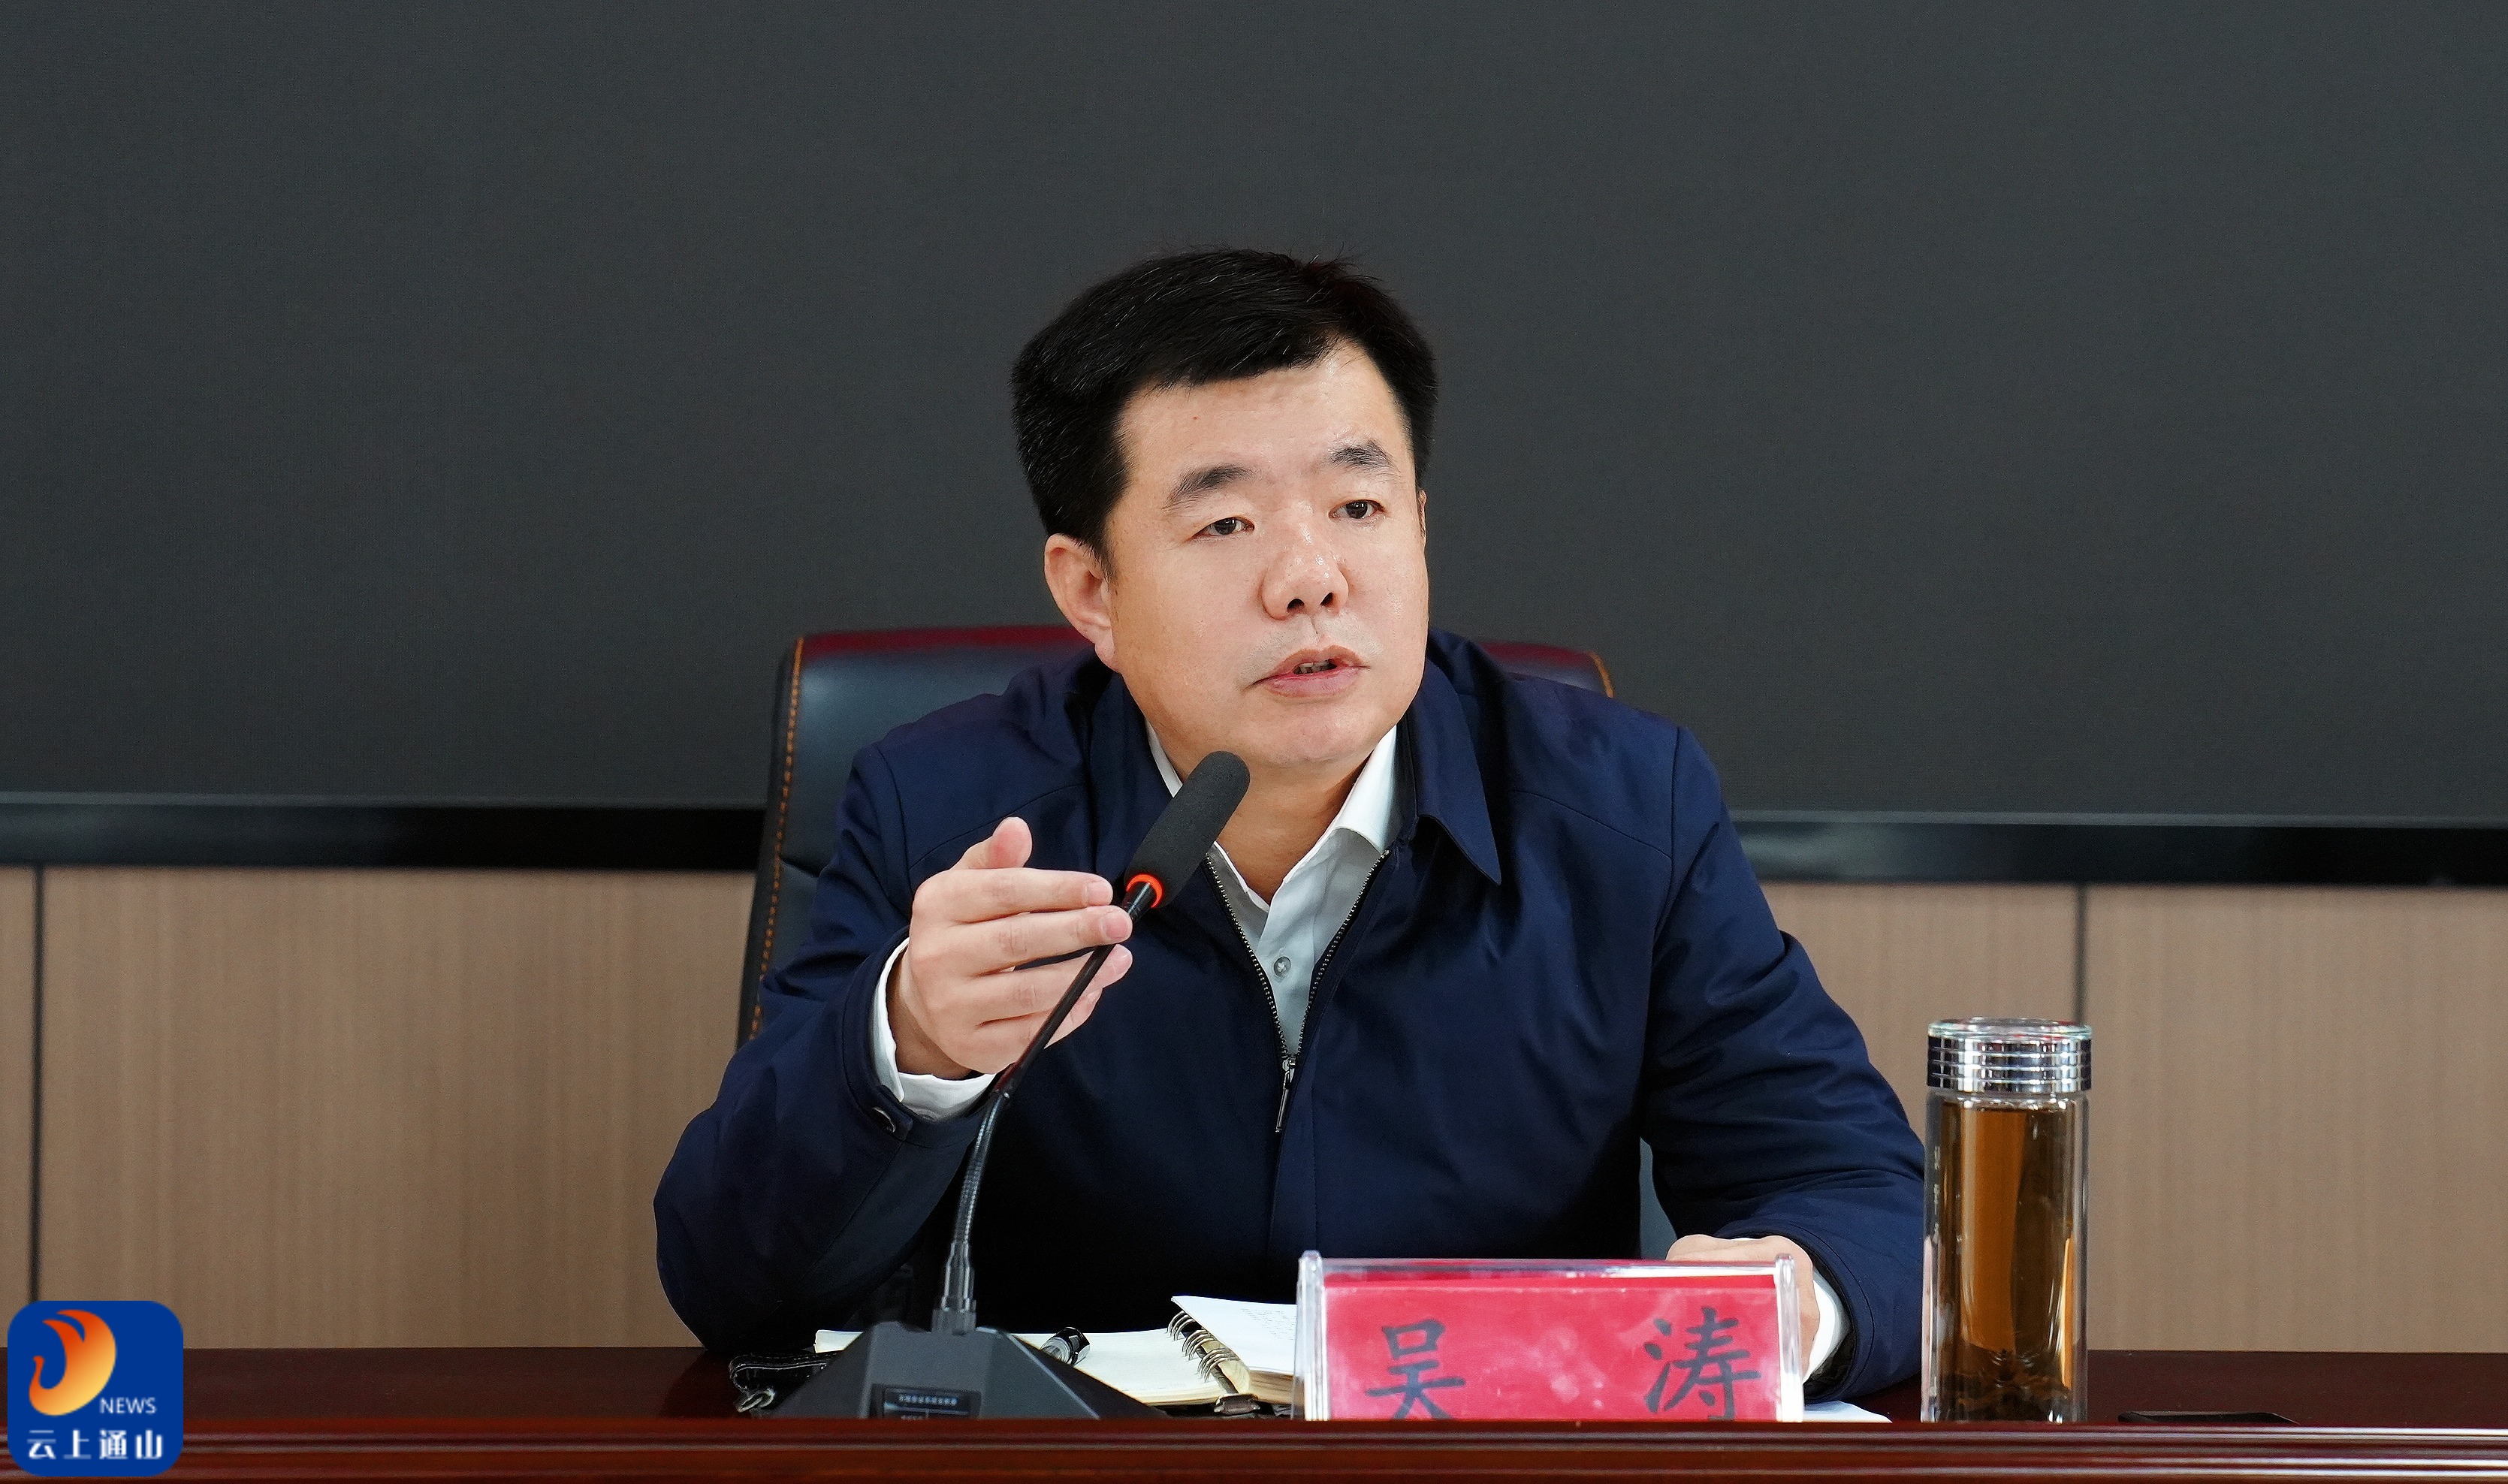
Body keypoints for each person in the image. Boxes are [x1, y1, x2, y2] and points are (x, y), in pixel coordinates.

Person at [656, 249, 1923, 1400]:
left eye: (1359, 509)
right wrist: (911, 1048)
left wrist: (1794, 1300)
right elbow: (732, 1287)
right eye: (1226, 523)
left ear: (1419, 524)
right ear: (1091, 592)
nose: (1311, 577)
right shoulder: (950, 811)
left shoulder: (1621, 810)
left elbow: (1854, 1189)